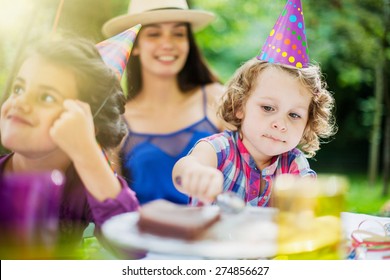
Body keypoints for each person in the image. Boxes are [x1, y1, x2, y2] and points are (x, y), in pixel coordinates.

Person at [172, 0, 337, 206]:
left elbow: (309, 207)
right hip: (209, 237)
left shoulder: (294, 164)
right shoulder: (220, 149)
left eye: (294, 115)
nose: (280, 123)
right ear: (240, 106)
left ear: (307, 124)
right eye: (268, 108)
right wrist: (194, 173)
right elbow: (185, 167)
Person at [0, 31, 140, 254]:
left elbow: (133, 248)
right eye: (18, 89)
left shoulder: (84, 189)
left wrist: (86, 152)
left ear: (85, 122)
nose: (20, 102)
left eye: (46, 97)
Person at [102, 0, 226, 205]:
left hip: (213, 232)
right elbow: (112, 203)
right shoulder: (118, 119)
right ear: (135, 46)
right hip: (144, 235)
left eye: (178, 34)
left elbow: (249, 171)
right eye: (154, 34)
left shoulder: (216, 98)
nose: (168, 43)